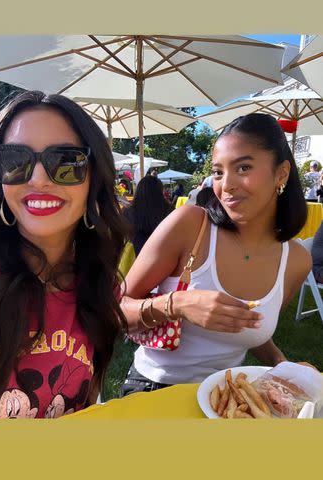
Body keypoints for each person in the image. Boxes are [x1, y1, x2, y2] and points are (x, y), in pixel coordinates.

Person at [0, 91, 127, 418]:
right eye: (14, 160)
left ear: (94, 177)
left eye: (66, 161)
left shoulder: (97, 285)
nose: (38, 179)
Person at [119, 113, 311, 395]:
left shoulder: (295, 261)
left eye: (243, 168)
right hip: (153, 389)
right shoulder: (190, 225)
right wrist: (178, 304)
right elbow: (113, 311)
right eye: (218, 172)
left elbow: (249, 328)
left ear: (281, 173)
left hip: (226, 398)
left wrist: (283, 365)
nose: (226, 185)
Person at [122, 175, 173, 256]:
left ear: (138, 190)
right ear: (160, 191)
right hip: (164, 255)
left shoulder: (128, 211)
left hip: (136, 257)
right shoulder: (169, 210)